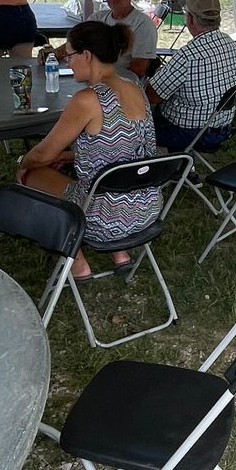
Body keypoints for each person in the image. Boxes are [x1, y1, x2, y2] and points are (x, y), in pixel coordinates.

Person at [17, 19, 158, 280]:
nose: (68, 62)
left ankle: (78, 263)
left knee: (30, 174)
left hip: (104, 220)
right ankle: (120, 254)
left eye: (69, 56)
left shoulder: (87, 100)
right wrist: (69, 156)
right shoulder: (135, 88)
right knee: (101, 184)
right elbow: (128, 147)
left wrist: (23, 162)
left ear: (87, 55)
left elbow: (42, 154)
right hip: (147, 210)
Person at [149, 0, 236, 152]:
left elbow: (153, 95)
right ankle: (181, 164)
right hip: (222, 126)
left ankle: (167, 164)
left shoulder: (188, 55)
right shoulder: (229, 43)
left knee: (141, 123)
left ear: (190, 18)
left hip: (190, 132)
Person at [57, 0, 158, 78]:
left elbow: (138, 69)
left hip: (121, 85)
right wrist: (54, 54)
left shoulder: (143, 24)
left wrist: (103, 79)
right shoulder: (98, 18)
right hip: (94, 80)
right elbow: (75, 42)